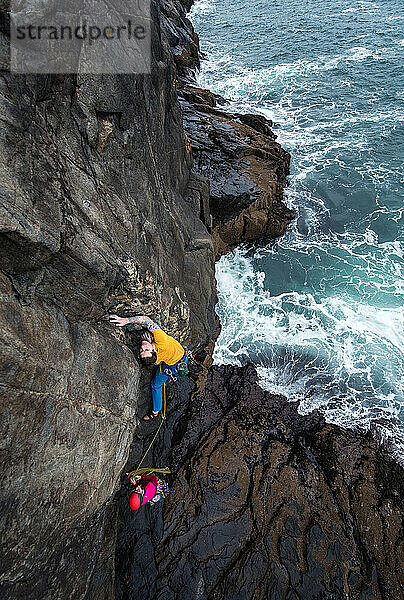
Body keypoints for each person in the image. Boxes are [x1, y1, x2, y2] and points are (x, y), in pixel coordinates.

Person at [109, 314, 189, 420]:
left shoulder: (162, 342)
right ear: (154, 350)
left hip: (173, 363)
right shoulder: (157, 350)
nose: (142, 347)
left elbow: (146, 320)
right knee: (158, 380)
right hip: (181, 358)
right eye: (144, 350)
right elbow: (148, 323)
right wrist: (149, 342)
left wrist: (125, 320)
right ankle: (156, 411)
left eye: (143, 350)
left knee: (156, 385)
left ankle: (155, 412)